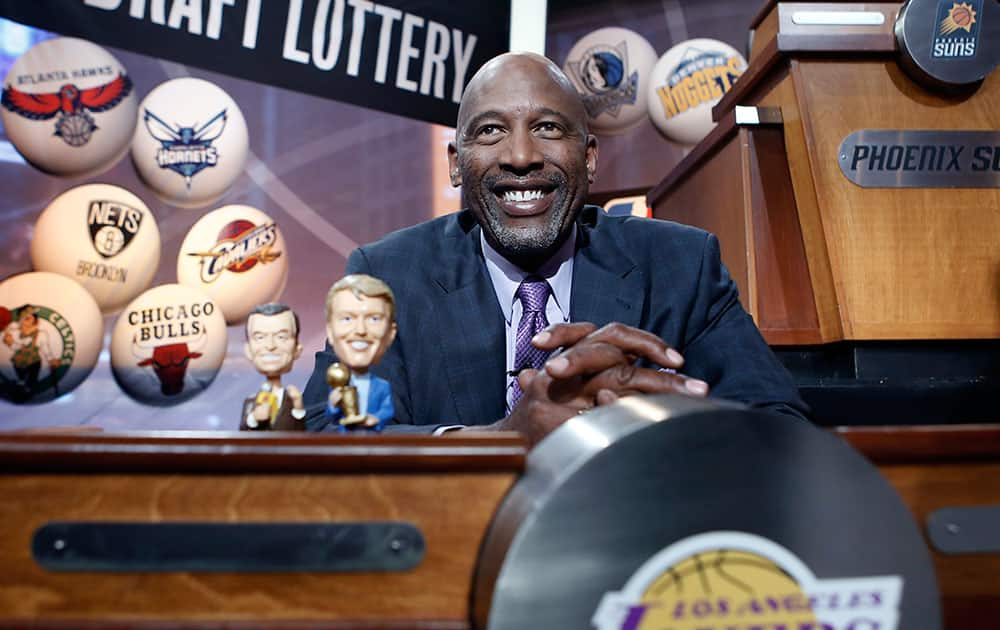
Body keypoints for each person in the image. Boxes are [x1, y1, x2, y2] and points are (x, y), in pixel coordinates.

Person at [303, 52, 808, 446]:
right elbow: (329, 433)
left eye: (547, 128)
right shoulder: (388, 275)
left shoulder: (683, 265)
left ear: (589, 157)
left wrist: (651, 426)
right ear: (457, 163)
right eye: (491, 131)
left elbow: (780, 427)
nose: (521, 156)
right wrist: (497, 441)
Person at [306, 274, 396, 433]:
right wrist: (333, 405)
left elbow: (386, 411)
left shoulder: (382, 387)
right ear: (330, 331)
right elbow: (324, 420)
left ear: (391, 333)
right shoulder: (336, 387)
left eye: (374, 319)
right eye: (347, 319)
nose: (360, 330)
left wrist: (375, 419)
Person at [240, 302, 305, 431]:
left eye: (281, 337)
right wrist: (254, 418)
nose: (270, 346)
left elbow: (301, 433)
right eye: (260, 337)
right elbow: (243, 432)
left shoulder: (294, 400)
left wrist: (298, 409)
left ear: (297, 349)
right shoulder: (251, 402)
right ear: (248, 350)